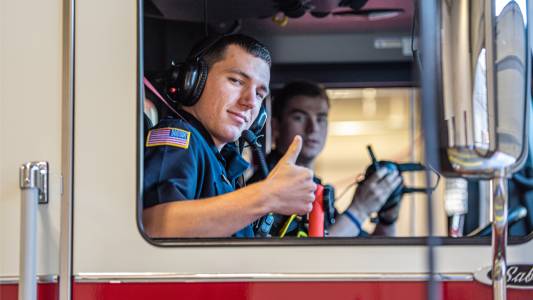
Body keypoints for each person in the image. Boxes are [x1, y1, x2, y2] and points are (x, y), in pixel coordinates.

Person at [142, 34, 317, 238]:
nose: (251, 101)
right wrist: (267, 197)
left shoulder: (221, 161)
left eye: (260, 93)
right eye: (236, 81)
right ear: (194, 81)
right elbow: (154, 226)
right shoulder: (178, 140)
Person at [248, 80, 402, 237]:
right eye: (299, 118)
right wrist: (360, 209)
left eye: (320, 119)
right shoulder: (265, 186)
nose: (313, 128)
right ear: (276, 126)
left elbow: (367, 251)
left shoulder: (312, 185)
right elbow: (312, 256)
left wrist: (388, 217)